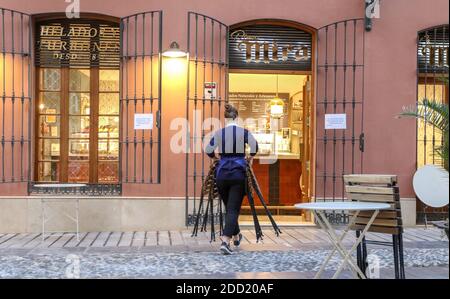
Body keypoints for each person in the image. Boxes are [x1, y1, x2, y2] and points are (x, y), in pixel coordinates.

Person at [205, 103, 259, 255]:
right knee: (233, 209)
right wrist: (249, 157)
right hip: (238, 173)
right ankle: (225, 240)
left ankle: (237, 234)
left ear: (226, 119)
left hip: (221, 174)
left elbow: (208, 149)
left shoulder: (219, 133)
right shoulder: (244, 132)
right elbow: (255, 147)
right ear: (236, 117)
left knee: (230, 208)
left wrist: (216, 157)